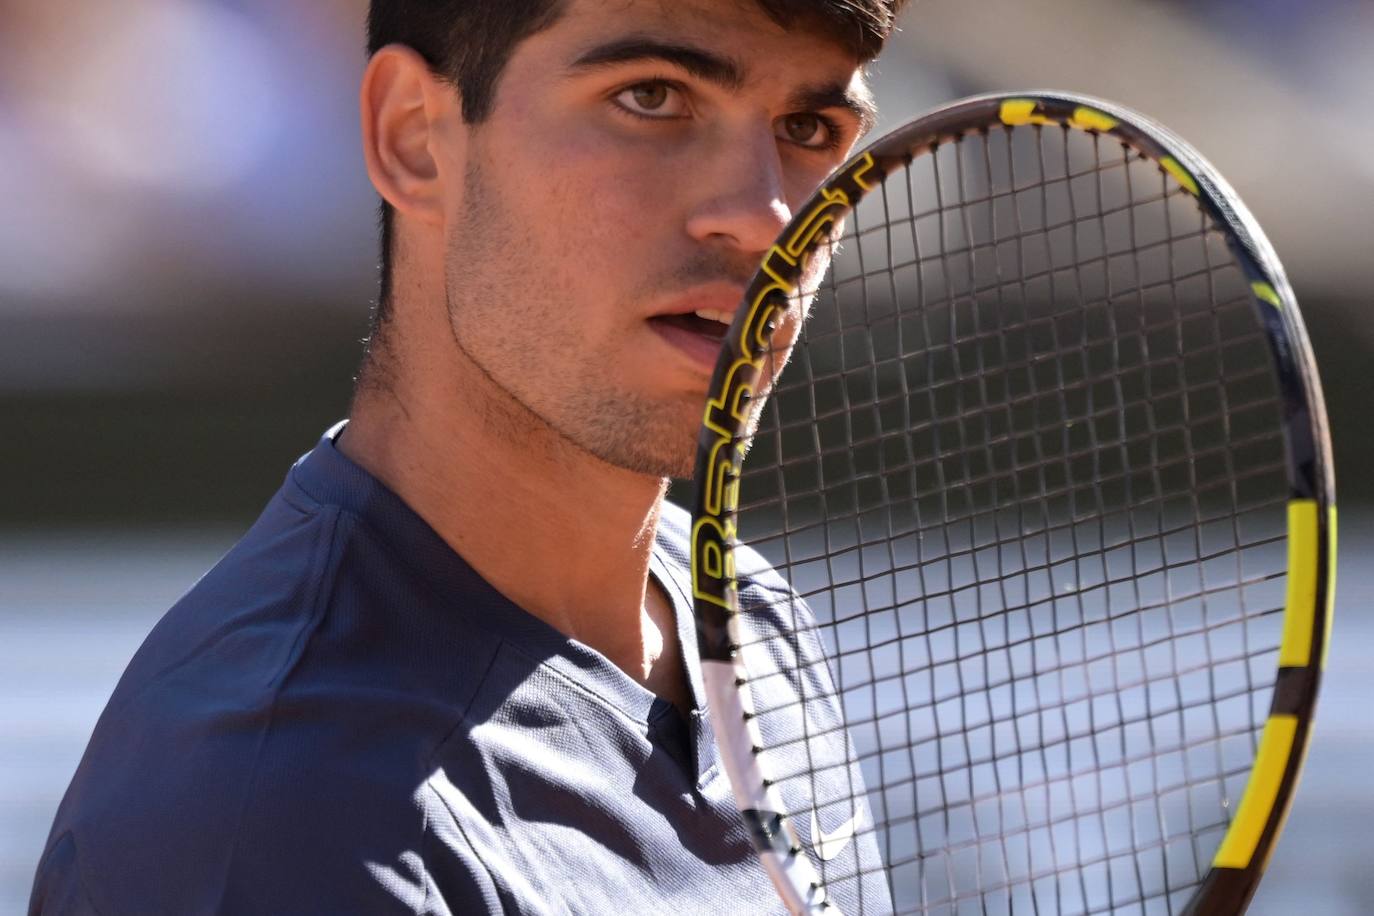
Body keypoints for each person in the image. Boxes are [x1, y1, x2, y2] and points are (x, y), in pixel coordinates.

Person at [30, 0, 907, 911]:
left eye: (809, 128)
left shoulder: (753, 621)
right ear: (414, 137)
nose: (766, 220)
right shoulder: (276, 817)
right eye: (651, 98)